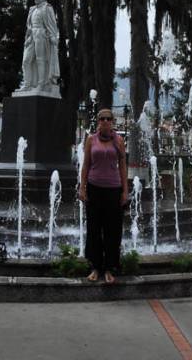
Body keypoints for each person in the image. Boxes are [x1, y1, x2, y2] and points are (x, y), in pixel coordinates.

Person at [79, 108, 128, 284]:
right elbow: (85, 165)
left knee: (112, 230)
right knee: (94, 229)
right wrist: (82, 187)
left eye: (108, 118)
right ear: (98, 121)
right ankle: (95, 267)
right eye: (102, 119)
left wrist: (125, 190)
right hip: (94, 188)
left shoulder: (119, 140)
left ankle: (110, 268)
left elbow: (122, 166)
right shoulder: (91, 140)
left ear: (112, 121)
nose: (105, 121)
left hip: (113, 190)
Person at [20, 0, 60, 91]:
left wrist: (52, 36)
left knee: (40, 60)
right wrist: (28, 36)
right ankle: (27, 84)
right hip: (32, 35)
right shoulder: (32, 9)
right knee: (26, 60)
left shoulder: (47, 8)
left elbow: (52, 24)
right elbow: (29, 25)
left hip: (42, 35)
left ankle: (41, 84)